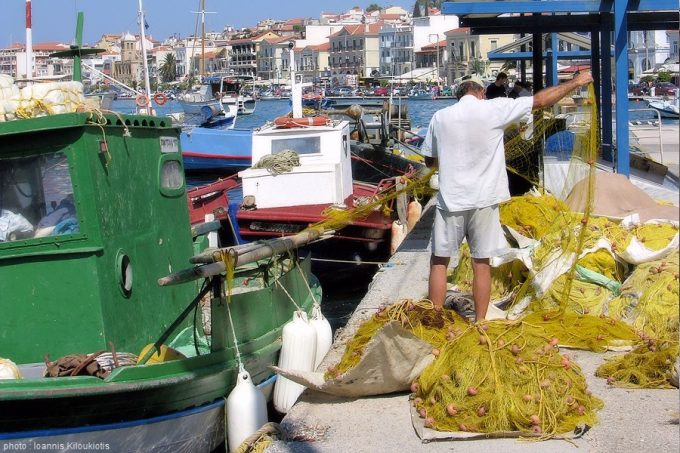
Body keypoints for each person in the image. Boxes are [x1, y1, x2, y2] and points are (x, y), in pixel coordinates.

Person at [421, 71, 594, 321]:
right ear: (481, 93)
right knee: (481, 264)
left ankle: (434, 321)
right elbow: (540, 101)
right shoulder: (494, 109)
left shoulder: (440, 117)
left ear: (458, 94)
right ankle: (480, 322)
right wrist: (576, 82)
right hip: (485, 201)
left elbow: (429, 159)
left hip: (452, 201)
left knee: (439, 262)